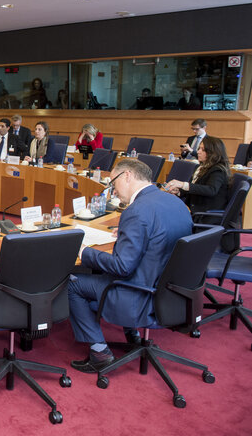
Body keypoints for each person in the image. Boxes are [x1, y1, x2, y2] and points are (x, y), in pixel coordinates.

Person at [68, 159, 193, 373]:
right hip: (172, 291)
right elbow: (159, 236)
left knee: (72, 284)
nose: (113, 190)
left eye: (113, 182)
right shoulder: (175, 202)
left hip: (138, 293)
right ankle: (133, 335)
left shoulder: (136, 211)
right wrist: (127, 234)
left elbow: (122, 267)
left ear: (127, 175)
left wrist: (85, 253)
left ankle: (100, 352)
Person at [165, 136, 230, 217]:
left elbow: (211, 190)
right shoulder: (201, 167)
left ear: (213, 152)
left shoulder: (218, 170)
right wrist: (178, 192)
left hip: (205, 215)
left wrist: (183, 185)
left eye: (202, 150)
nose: (198, 152)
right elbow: (196, 188)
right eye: (199, 148)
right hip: (194, 210)